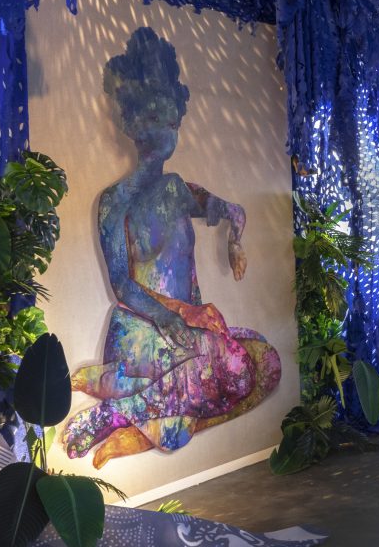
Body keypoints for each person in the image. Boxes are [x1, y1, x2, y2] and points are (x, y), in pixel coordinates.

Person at [61, 27, 281, 468]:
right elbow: (122, 284)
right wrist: (179, 313)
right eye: (151, 115)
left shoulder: (178, 189)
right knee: (183, 426)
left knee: (262, 367)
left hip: (188, 337)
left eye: (170, 117)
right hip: (143, 330)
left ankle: (121, 403)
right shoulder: (115, 202)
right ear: (131, 123)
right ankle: (118, 403)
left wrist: (235, 239)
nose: (164, 127)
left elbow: (231, 210)